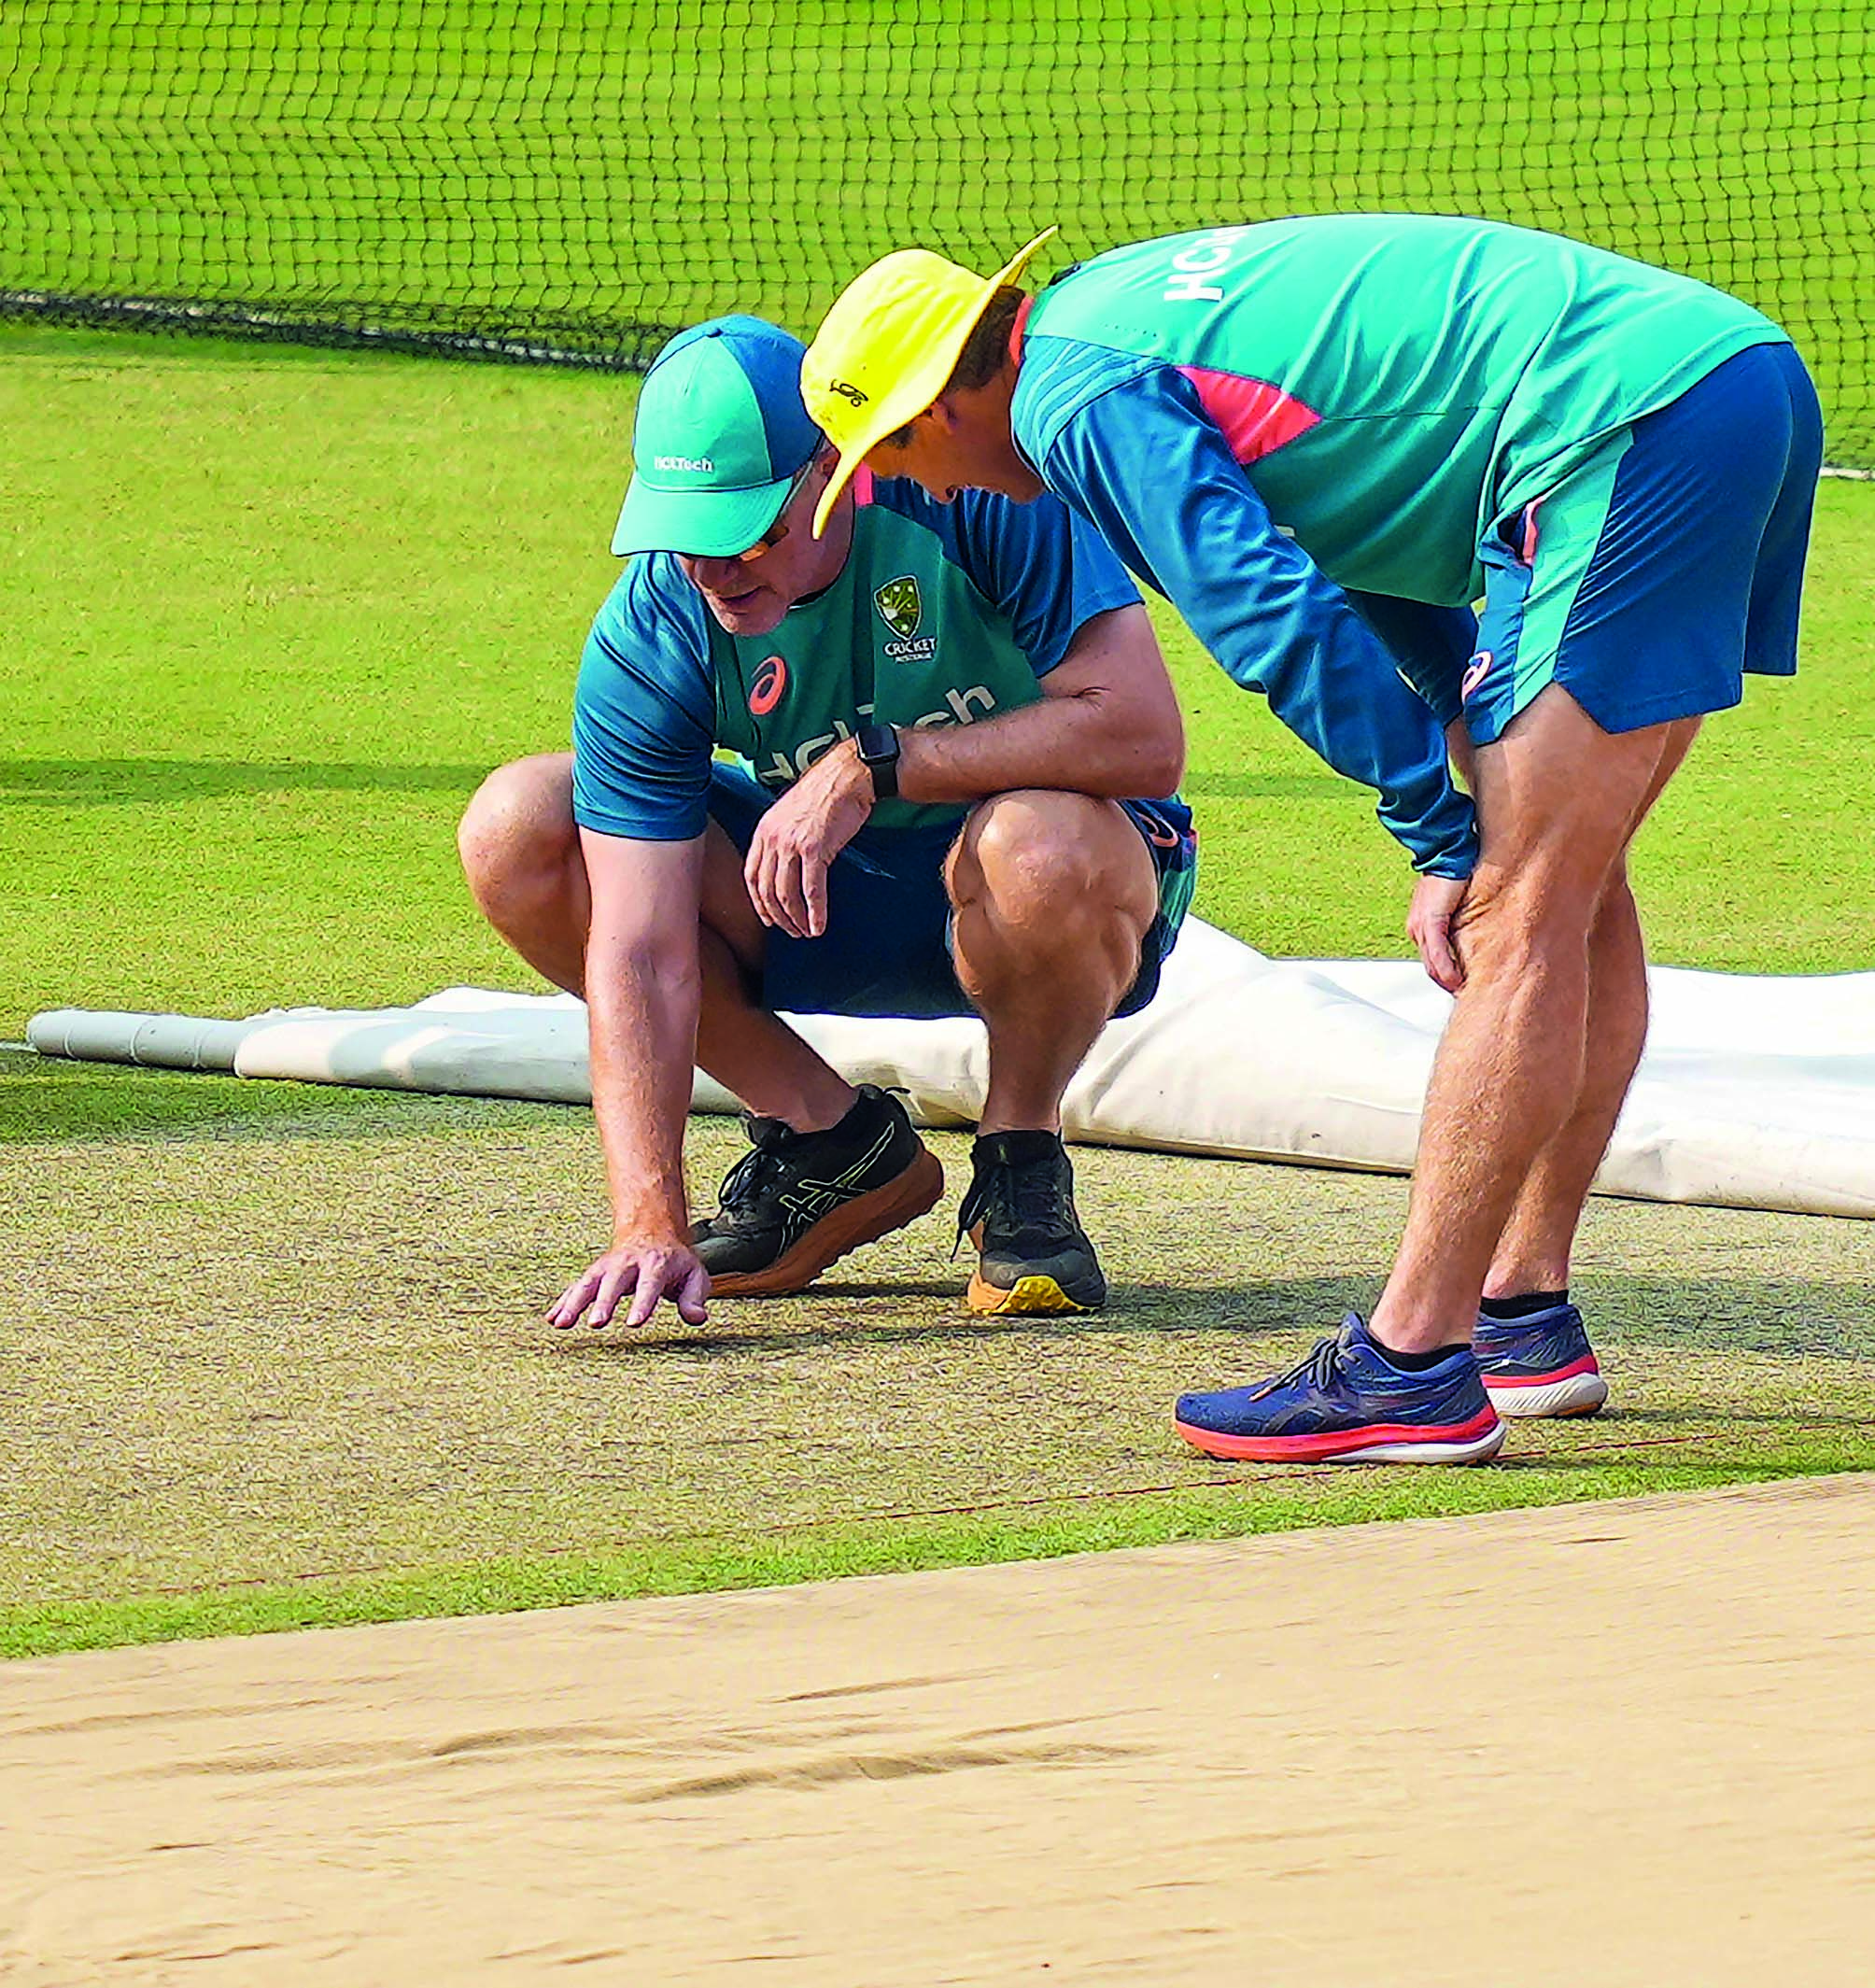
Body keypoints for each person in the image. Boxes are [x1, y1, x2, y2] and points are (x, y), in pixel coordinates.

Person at [801, 215, 1822, 1461]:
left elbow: (1269, 612)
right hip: (1708, 386)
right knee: (1569, 881)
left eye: (896, 451)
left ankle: (1412, 1363)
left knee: (1517, 903)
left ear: (946, 402)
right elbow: (1357, 526)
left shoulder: (1073, 400)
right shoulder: (1098, 321)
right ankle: (1519, 1316)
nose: (917, 488)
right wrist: (1450, 720)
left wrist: (1435, 828)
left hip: (1627, 421)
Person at [458, 315, 1197, 1332]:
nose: (715, 571)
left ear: (834, 475)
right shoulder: (657, 619)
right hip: (813, 900)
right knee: (520, 826)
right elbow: (637, 949)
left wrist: (877, 762)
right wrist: (647, 1218)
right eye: (688, 536)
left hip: (1051, 893)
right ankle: (832, 1143)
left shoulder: (973, 494)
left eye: (750, 533)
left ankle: (1021, 1160)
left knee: (1039, 843)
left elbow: (1143, 735)